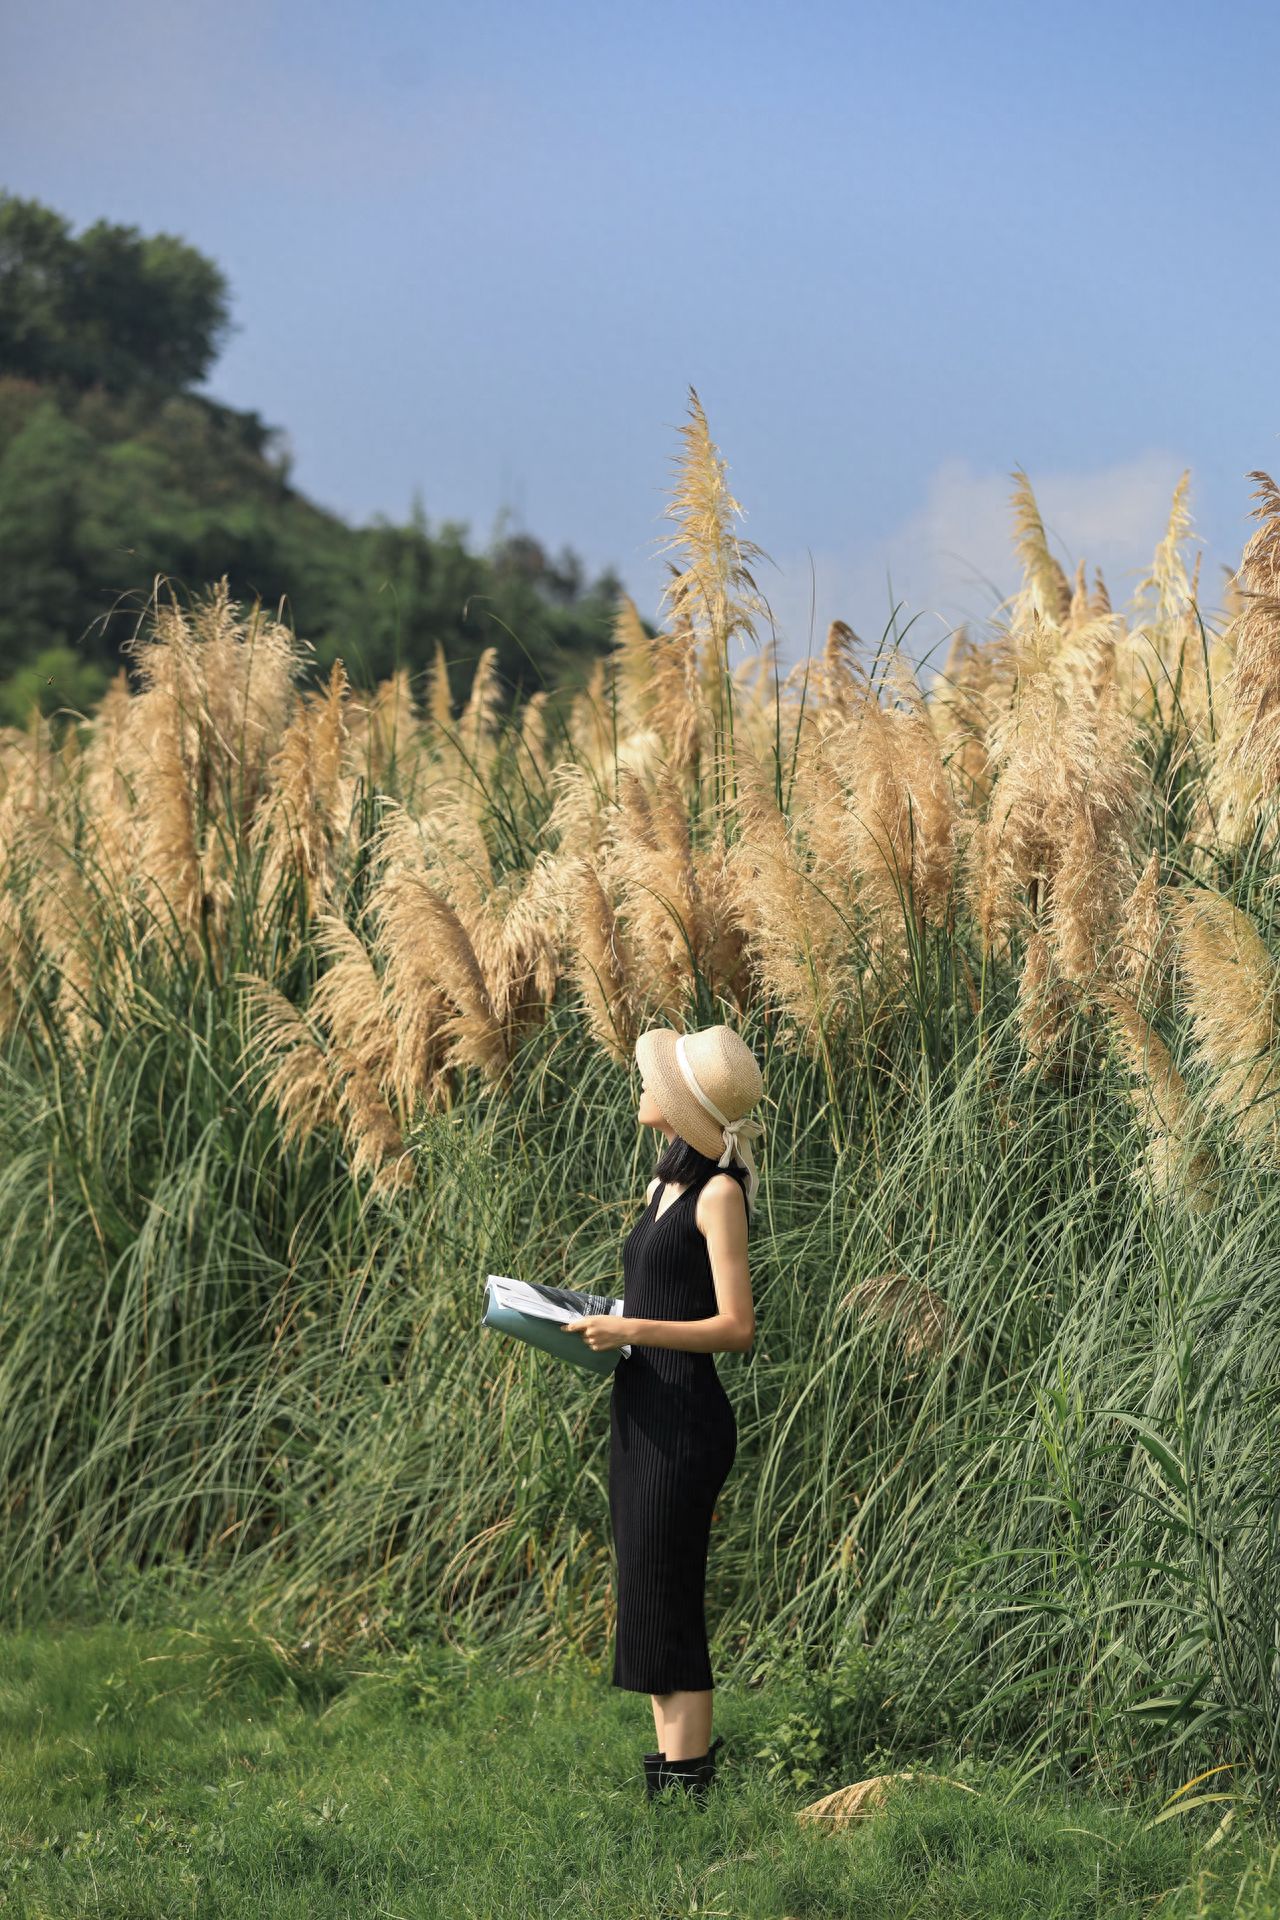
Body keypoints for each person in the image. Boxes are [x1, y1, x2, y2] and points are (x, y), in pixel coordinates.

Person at [565, 1023, 765, 1804]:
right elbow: (656, 1300)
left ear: (686, 1111)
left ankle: (685, 1796)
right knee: (646, 1594)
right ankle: (675, 1784)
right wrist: (587, 1320)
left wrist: (630, 1328)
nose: (644, 1086)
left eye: (660, 1082)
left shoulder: (718, 1195)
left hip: (685, 1418)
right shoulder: (662, 1189)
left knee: (669, 1594)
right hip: (640, 1408)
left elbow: (736, 1327)